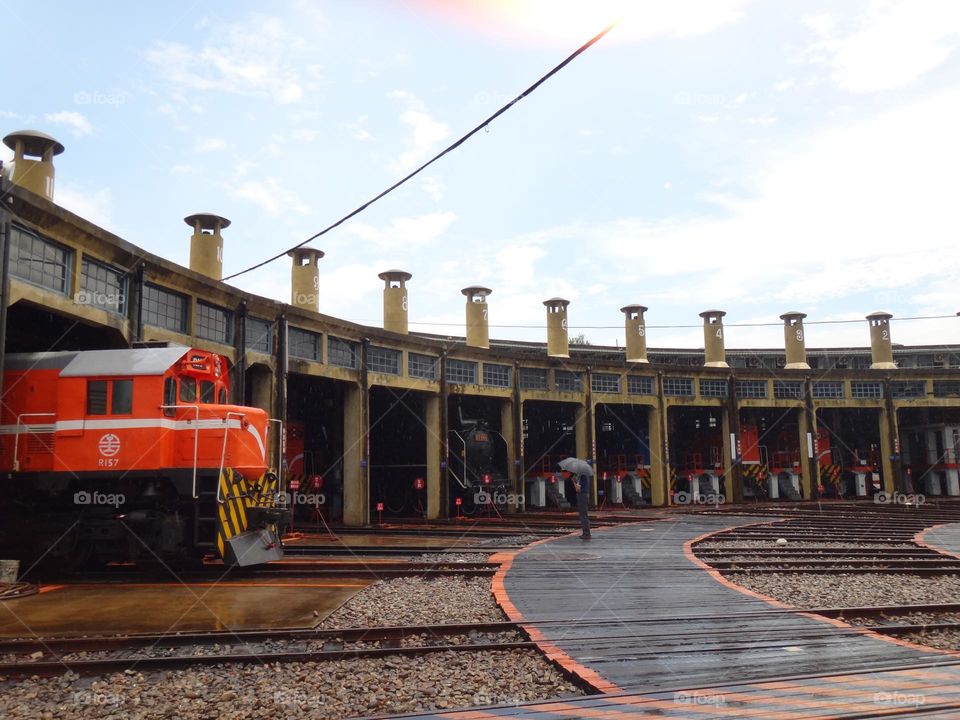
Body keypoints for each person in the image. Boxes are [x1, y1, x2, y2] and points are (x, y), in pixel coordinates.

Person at [573, 472, 591, 540]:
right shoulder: (583, 476)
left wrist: (574, 481)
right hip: (583, 495)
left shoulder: (583, 476)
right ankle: (585, 533)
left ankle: (586, 533)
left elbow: (578, 489)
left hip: (582, 496)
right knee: (583, 515)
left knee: (583, 515)